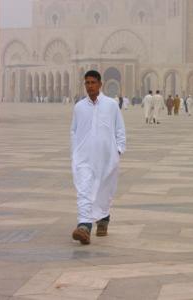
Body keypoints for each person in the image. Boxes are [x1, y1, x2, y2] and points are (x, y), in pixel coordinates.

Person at [70, 70, 126, 245]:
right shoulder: (79, 107)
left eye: (93, 82)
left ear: (100, 84)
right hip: (84, 157)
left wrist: (118, 150)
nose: (90, 86)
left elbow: (120, 129)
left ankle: (104, 219)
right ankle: (84, 226)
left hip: (106, 156)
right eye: (87, 83)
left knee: (103, 190)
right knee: (84, 189)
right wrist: (75, 153)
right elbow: (73, 131)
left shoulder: (110, 105)